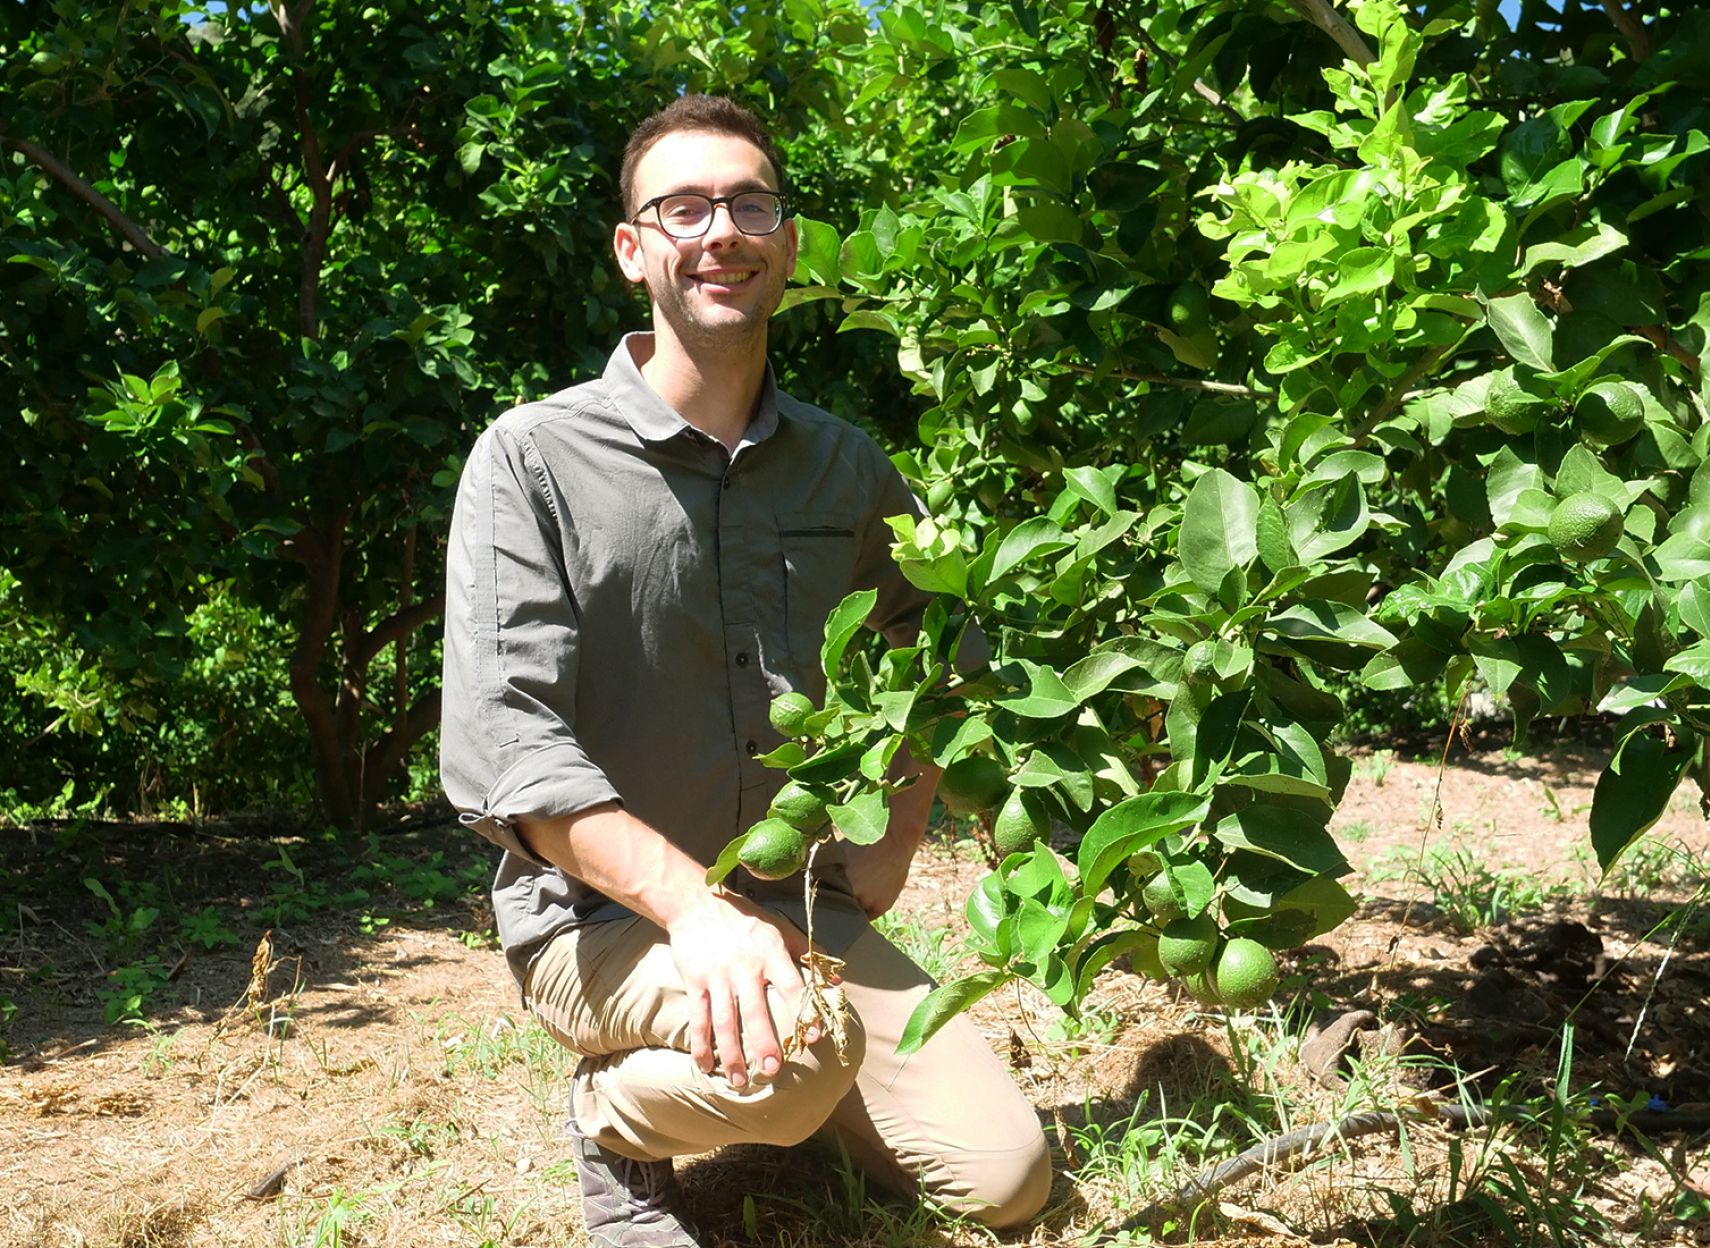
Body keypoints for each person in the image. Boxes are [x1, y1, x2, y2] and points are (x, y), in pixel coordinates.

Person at [440, 95, 1051, 1247]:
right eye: (684, 207)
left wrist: (898, 833)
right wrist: (696, 915)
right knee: (793, 1063)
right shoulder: (532, 457)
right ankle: (619, 1121)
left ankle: (788, 1082)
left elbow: (934, 657)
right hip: (603, 922)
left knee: (1006, 1177)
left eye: (750, 204)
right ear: (635, 249)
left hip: (802, 905)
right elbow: (507, 747)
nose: (722, 230)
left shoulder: (846, 465)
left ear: (789, 242)